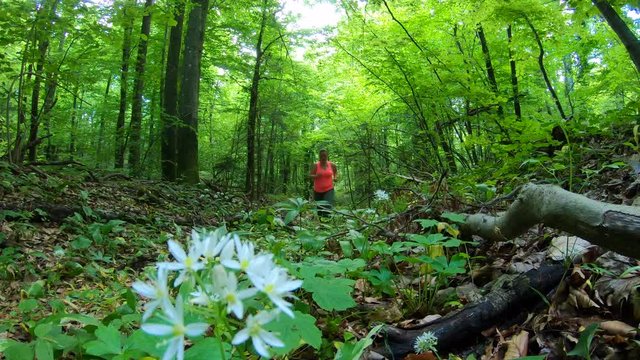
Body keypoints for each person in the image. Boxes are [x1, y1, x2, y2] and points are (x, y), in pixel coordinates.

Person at [310, 149, 338, 217]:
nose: (323, 157)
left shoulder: (331, 165)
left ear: (327, 156)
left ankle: (327, 223)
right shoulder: (316, 165)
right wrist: (316, 176)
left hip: (329, 189)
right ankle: (322, 225)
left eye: (324, 156)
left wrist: (335, 177)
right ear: (319, 156)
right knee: (320, 210)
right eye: (321, 156)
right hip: (317, 191)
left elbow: (335, 172)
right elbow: (310, 175)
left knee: (327, 207)